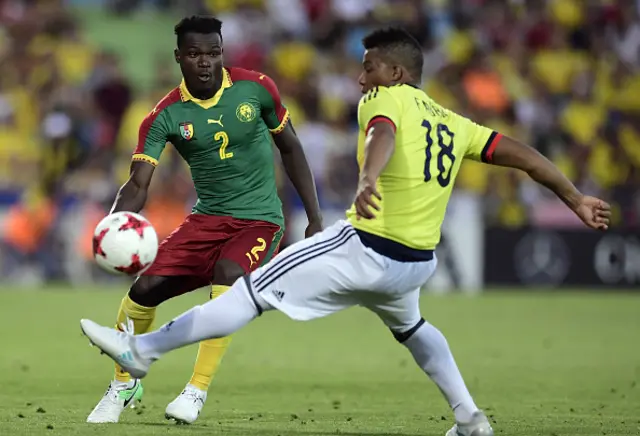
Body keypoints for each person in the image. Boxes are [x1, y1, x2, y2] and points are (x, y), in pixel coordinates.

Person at [81, 28, 611, 436]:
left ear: (397, 73)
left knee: (249, 292)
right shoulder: (457, 124)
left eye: (369, 68)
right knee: (414, 330)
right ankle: (470, 418)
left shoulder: (385, 99)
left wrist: (368, 177)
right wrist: (575, 197)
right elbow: (524, 157)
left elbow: (382, 131)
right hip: (414, 263)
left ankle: (142, 352)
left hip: (362, 248)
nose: (361, 80)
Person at [86, 16, 323, 424]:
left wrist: (314, 218)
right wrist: (114, 226)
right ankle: (124, 384)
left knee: (228, 273)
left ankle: (195, 390)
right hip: (206, 219)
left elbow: (291, 148)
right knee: (144, 289)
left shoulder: (257, 88)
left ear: (222, 52)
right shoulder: (164, 116)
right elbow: (138, 183)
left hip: (260, 220)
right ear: (179, 57)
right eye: (195, 54)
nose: (206, 62)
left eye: (214, 53)